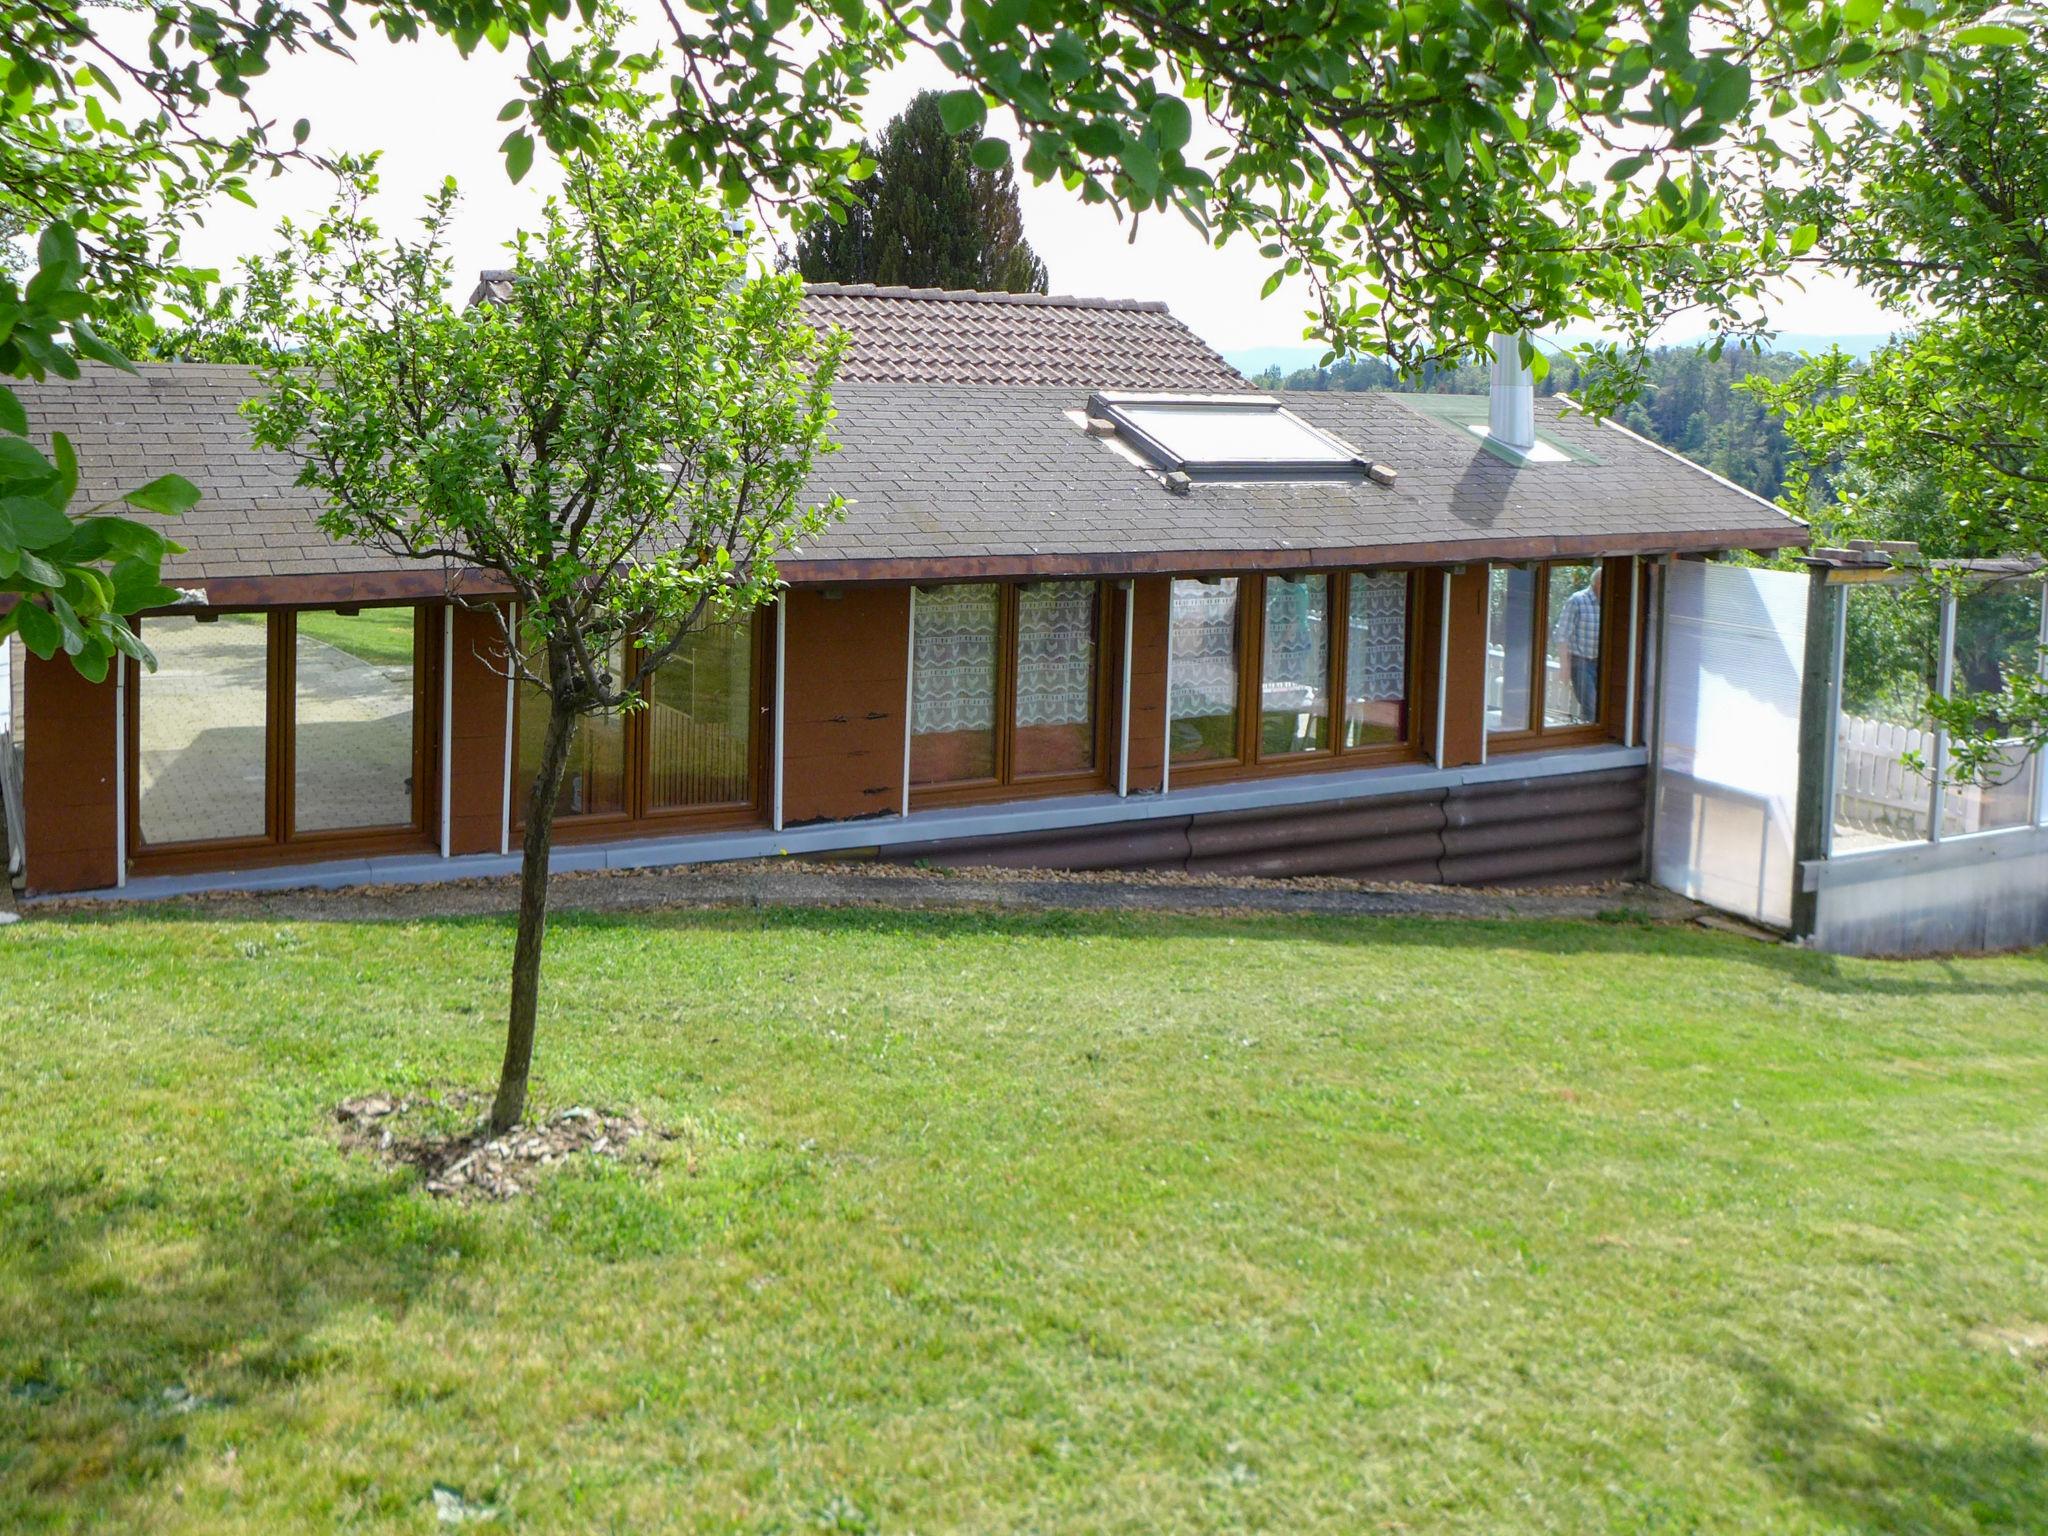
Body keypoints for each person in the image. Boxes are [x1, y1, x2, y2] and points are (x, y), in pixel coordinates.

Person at [1555, 568, 1602, 719]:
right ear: (1597, 583)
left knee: (1599, 709)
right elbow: (1562, 635)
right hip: (1581, 662)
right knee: (1592, 707)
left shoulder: (1609, 602)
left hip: (1601, 663)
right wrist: (1564, 666)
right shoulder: (1577, 600)